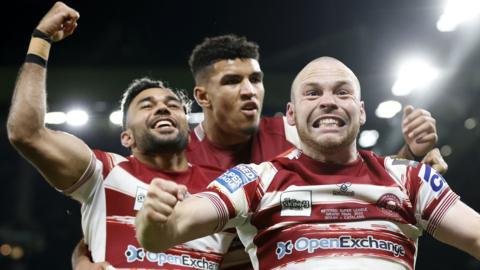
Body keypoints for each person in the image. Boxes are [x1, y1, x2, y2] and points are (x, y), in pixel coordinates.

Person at [73, 35, 446, 268]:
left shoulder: (291, 134)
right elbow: (134, 222)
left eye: (256, 79)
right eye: (234, 82)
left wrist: (409, 159)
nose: (250, 90)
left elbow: (360, 187)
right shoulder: (178, 156)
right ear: (202, 97)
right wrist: (85, 257)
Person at [135, 57, 480, 270]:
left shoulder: (409, 178)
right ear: (291, 114)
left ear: (361, 112)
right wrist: (154, 219)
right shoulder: (255, 180)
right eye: (312, 94)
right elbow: (166, 233)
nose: (328, 102)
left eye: (342, 92)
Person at [6, 3, 234, 269]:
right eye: (147, 105)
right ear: (127, 138)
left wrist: (79, 258)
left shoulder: (224, 188)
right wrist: (41, 39)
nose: (162, 107)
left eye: (172, 105)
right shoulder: (103, 173)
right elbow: (26, 133)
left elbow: (258, 253)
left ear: (188, 127)